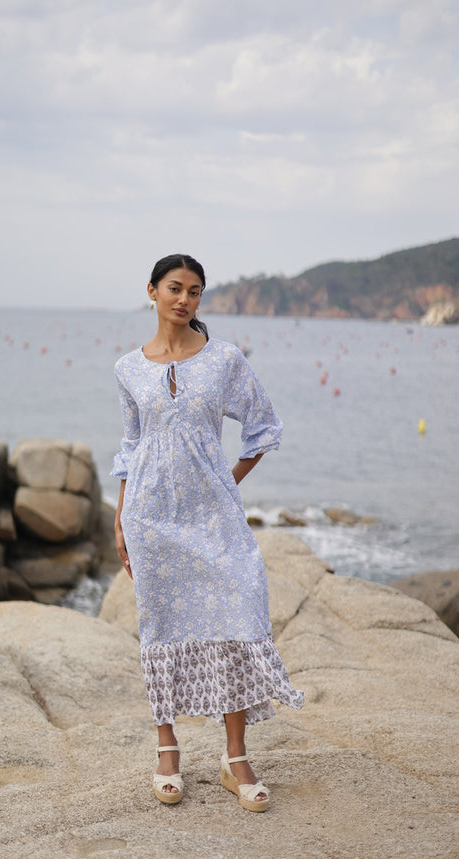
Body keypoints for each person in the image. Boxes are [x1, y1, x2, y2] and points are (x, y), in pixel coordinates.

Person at [111, 253, 304, 812]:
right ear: (151, 291)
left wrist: (228, 480)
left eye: (196, 292)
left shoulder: (224, 361)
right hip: (150, 515)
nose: (185, 300)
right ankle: (167, 749)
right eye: (176, 288)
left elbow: (263, 427)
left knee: (238, 615)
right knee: (161, 623)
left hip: (213, 517)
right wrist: (120, 518)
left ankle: (234, 757)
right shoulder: (128, 368)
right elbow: (130, 448)